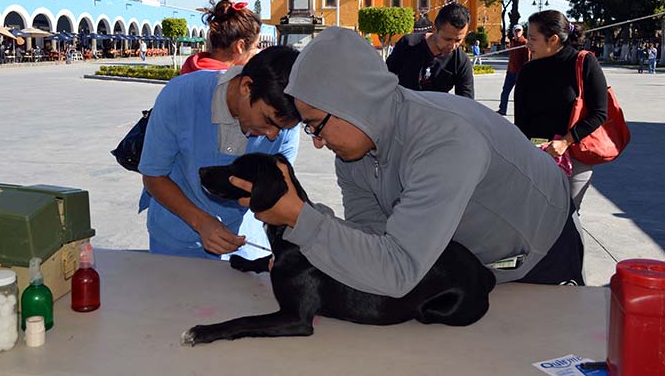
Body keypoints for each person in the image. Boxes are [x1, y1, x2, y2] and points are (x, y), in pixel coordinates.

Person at [230, 26, 585, 305]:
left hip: (543, 251)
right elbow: (371, 236)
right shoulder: (354, 151)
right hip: (466, 260)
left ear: (353, 104)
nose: (318, 142)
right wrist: (310, 250)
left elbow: (397, 272)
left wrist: (299, 219)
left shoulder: (445, 143)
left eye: (316, 125)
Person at [138, 46, 301, 260]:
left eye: (282, 128)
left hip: (244, 244)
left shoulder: (285, 124)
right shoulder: (181, 94)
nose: (272, 135)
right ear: (246, 87)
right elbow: (153, 175)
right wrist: (201, 222)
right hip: (176, 242)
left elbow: (277, 193)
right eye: (268, 121)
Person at [514, 10, 608, 213]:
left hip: (574, 155)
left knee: (566, 217)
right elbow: (521, 123)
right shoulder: (528, 72)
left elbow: (599, 113)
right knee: (533, 217)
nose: (527, 43)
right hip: (538, 156)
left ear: (553, 39)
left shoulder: (584, 63)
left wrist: (566, 141)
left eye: (532, 38)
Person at [386, 3, 474, 98]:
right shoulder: (408, 44)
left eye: (458, 40)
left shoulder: (460, 61)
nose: (452, 46)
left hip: (436, 110)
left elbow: (467, 102)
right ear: (434, 29)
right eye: (447, 39)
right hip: (403, 108)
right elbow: (386, 80)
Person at [181, 0, 261, 74]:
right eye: (256, 46)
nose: (257, 51)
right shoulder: (234, 85)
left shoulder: (182, 77)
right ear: (240, 46)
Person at [496, 24, 531, 116]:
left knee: (520, 94)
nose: (517, 32)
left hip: (519, 73)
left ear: (522, 32)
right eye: (516, 31)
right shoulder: (512, 42)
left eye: (519, 30)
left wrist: (524, 73)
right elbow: (511, 58)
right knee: (505, 92)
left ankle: (522, 112)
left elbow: (527, 60)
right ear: (513, 32)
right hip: (510, 72)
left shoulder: (524, 43)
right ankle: (502, 109)